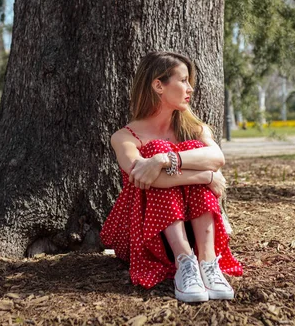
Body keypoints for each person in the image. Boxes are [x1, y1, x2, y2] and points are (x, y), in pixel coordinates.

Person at [101, 51, 242, 303]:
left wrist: (164, 161)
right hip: (143, 234)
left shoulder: (195, 129)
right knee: (157, 148)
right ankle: (184, 262)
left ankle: (208, 263)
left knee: (178, 152)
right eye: (183, 80)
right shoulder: (124, 137)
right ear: (158, 85)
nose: (190, 88)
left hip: (194, 228)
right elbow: (149, 180)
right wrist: (206, 176)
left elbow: (217, 157)